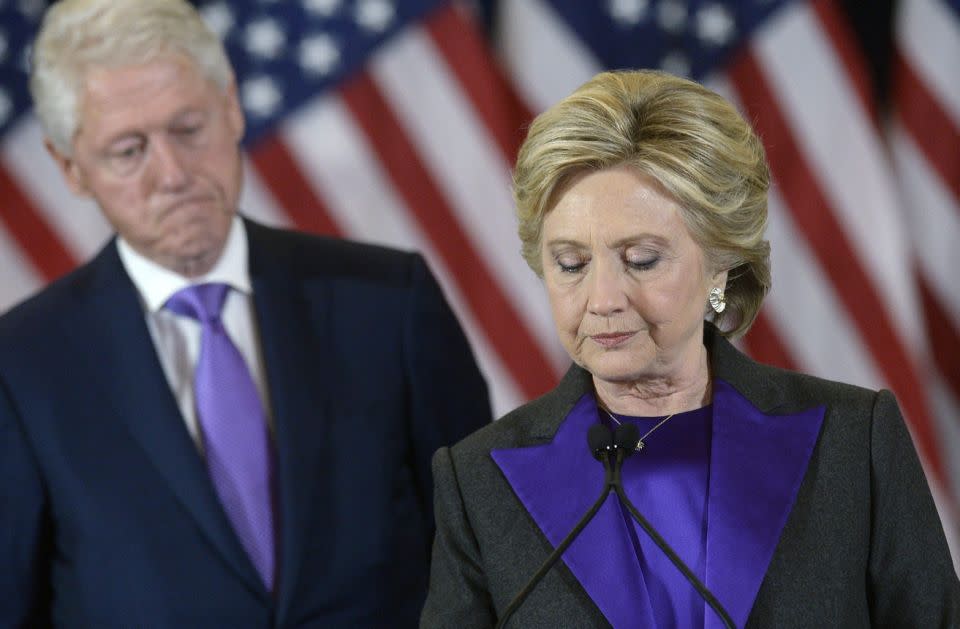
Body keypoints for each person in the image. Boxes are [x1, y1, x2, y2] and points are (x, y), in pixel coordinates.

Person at [0, 0, 491, 626]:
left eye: (189, 128)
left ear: (230, 106)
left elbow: (482, 555)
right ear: (71, 168)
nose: (173, 173)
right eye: (129, 150)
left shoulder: (389, 303)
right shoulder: (21, 368)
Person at [420, 69, 960, 628]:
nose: (602, 298)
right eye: (572, 264)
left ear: (720, 263)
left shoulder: (853, 443)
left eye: (642, 259)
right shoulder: (479, 482)